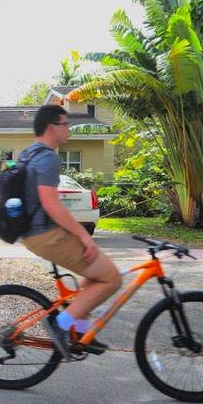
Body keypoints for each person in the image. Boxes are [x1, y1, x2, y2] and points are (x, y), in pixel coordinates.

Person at [18, 104, 122, 357]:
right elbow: (51, 205)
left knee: (92, 278)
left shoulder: (29, 153)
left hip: (33, 233)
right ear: (52, 127)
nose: (69, 130)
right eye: (66, 124)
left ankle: (81, 334)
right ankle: (60, 324)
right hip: (46, 234)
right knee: (111, 278)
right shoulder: (48, 157)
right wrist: (84, 235)